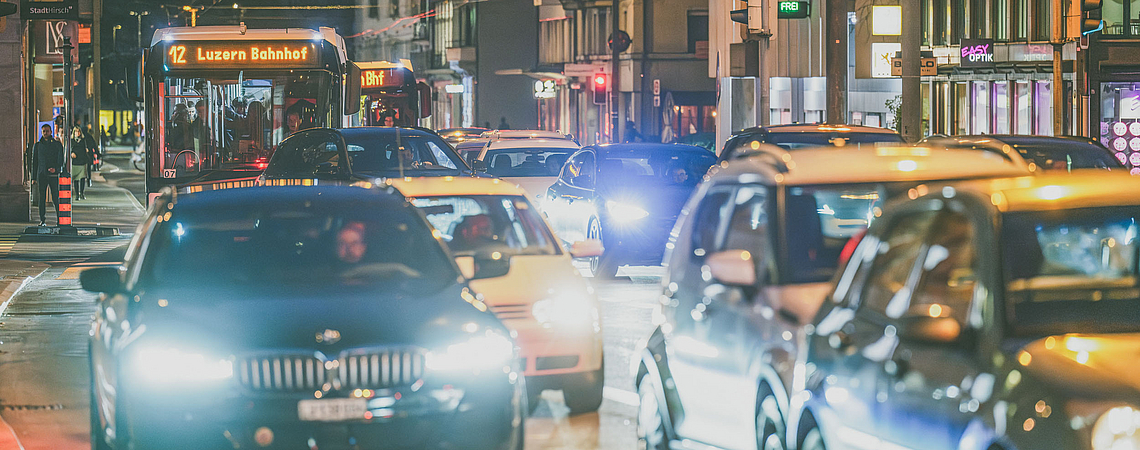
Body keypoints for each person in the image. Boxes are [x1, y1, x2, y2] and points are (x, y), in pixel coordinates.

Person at [32, 124, 64, 227]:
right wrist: (33, 177)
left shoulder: (56, 144)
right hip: (42, 174)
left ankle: (60, 219)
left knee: (55, 197)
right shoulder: (37, 146)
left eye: (47, 131)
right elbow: (35, 162)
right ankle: (42, 220)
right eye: (44, 131)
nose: (45, 133)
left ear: (51, 132)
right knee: (42, 198)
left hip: (53, 174)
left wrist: (56, 169)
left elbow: (60, 159)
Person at [70, 126, 92, 200]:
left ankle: (82, 193)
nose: (77, 133)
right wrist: (71, 153)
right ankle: (77, 194)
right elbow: (69, 149)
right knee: (76, 178)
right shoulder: (71, 141)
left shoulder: (83, 140)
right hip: (75, 162)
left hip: (82, 161)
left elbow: (86, 149)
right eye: (76, 131)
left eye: (79, 131)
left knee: (82, 178)